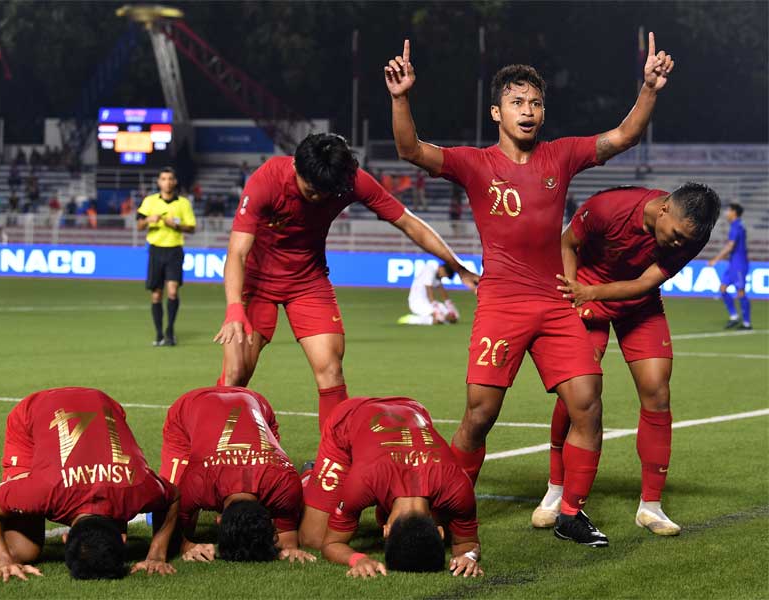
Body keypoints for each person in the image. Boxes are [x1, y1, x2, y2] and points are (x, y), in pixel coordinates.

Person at [385, 34, 674, 546]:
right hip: (502, 302)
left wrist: (648, 88)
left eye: (536, 103)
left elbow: (624, 135)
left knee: (588, 401)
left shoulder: (560, 156)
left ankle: (571, 513)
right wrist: (401, 97)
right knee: (480, 414)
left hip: (556, 301)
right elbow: (409, 149)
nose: (528, 110)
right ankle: (449, 510)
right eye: (517, 102)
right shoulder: (474, 164)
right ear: (497, 112)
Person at [213, 133, 478, 431]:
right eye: (312, 191)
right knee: (236, 373)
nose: (319, 198)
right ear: (296, 167)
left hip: (308, 282)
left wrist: (458, 266)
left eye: (326, 193)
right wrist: (234, 307)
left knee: (331, 370)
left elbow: (408, 222)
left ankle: (332, 460)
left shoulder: (349, 180)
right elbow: (236, 252)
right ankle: (214, 449)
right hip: (257, 282)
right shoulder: (268, 180)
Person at [529, 183, 720, 536]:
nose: (680, 244)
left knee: (658, 394)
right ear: (664, 209)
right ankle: (556, 488)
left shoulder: (693, 236)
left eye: (687, 241)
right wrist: (572, 294)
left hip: (637, 303)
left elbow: (645, 283)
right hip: (585, 288)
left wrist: (593, 293)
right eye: (676, 234)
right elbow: (567, 243)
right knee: (577, 393)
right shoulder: (609, 207)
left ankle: (651, 506)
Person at [0, 387, 179, 581]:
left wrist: (156, 556)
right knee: (22, 551)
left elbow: (174, 495)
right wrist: (4, 561)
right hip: (35, 412)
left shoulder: (138, 489)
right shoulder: (43, 490)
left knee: (24, 549)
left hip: (103, 402)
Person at [299, 396, 482, 578]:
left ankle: (380, 506)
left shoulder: (457, 486)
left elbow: (469, 544)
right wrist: (358, 559)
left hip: (412, 410)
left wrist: (467, 556)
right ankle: (309, 476)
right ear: (385, 530)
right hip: (348, 419)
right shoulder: (364, 482)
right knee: (313, 539)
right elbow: (330, 544)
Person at [158, 386, 315, 564]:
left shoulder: (284, 485)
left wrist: (289, 550)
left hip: (255, 403)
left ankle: (310, 474)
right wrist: (187, 545)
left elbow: (286, 537)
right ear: (218, 520)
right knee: (169, 505)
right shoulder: (198, 482)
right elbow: (166, 528)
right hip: (188, 410)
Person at [136, 167, 196, 346]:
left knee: (172, 291)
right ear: (158, 182)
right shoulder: (150, 201)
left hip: (174, 251)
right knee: (156, 295)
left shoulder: (183, 203)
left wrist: (175, 225)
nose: (167, 182)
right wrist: (147, 220)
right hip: (156, 250)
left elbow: (192, 228)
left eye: (170, 178)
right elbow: (139, 225)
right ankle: (159, 334)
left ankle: (170, 331)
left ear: (175, 182)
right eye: (163, 178)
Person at [708, 203, 751, 330]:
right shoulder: (737, 225)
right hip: (733, 263)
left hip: (739, 264)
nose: (726, 213)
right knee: (722, 289)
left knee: (741, 292)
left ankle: (747, 323)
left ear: (734, 213)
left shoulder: (736, 226)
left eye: (729, 210)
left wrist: (715, 259)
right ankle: (734, 317)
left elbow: (730, 246)